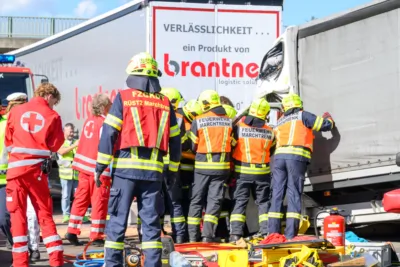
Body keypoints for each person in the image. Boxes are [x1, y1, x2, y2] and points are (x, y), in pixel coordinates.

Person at [96, 52, 181, 267]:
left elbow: (109, 133)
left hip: (125, 173)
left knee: (117, 222)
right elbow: (175, 140)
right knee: (151, 226)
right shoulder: (165, 103)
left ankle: (113, 264)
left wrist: (100, 165)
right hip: (153, 174)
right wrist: (172, 171)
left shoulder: (124, 97)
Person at [5, 83, 65, 267]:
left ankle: (20, 262)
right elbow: (55, 145)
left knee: (17, 215)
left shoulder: (15, 112)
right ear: (48, 96)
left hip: (15, 172)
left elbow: (8, 142)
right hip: (37, 172)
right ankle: (56, 261)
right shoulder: (52, 115)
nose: (53, 105)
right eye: (54, 101)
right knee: (44, 214)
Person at [268, 93, 334, 240]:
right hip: (295, 158)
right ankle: (290, 234)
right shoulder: (302, 115)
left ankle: (273, 233)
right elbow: (324, 125)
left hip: (279, 159)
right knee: (293, 194)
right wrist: (329, 119)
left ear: (285, 106)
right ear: (298, 104)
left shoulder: (280, 120)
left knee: (277, 195)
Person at [65, 94, 112, 247]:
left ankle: (72, 231)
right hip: (98, 169)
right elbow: (107, 145)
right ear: (105, 106)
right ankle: (97, 235)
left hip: (83, 167)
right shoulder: (105, 123)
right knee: (99, 202)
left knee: (80, 200)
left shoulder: (89, 121)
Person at [187, 89, 233, 243]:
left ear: (205, 104)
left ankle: (193, 237)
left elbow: (193, 145)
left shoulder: (198, 120)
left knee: (196, 201)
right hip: (222, 168)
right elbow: (232, 144)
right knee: (214, 202)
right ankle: (208, 236)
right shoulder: (228, 120)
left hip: (202, 167)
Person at [229, 98, 275, 242]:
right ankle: (265, 231)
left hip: (242, 171)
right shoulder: (270, 132)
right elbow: (271, 150)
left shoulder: (239, 128)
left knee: (240, 202)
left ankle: (235, 234)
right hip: (262, 173)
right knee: (263, 202)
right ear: (265, 114)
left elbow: (231, 146)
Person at [159, 87, 186, 243]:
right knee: (175, 202)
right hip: (173, 165)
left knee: (155, 201)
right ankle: (180, 235)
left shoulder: (155, 113)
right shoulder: (179, 118)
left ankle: (155, 233)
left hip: (157, 164)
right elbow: (180, 142)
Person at [57, 123, 82, 223]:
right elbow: (61, 152)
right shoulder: (60, 142)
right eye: (70, 131)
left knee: (79, 196)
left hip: (76, 174)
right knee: (66, 196)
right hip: (65, 174)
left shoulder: (76, 142)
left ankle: (79, 214)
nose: (71, 133)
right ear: (64, 131)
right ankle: (66, 215)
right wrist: (74, 146)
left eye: (72, 131)